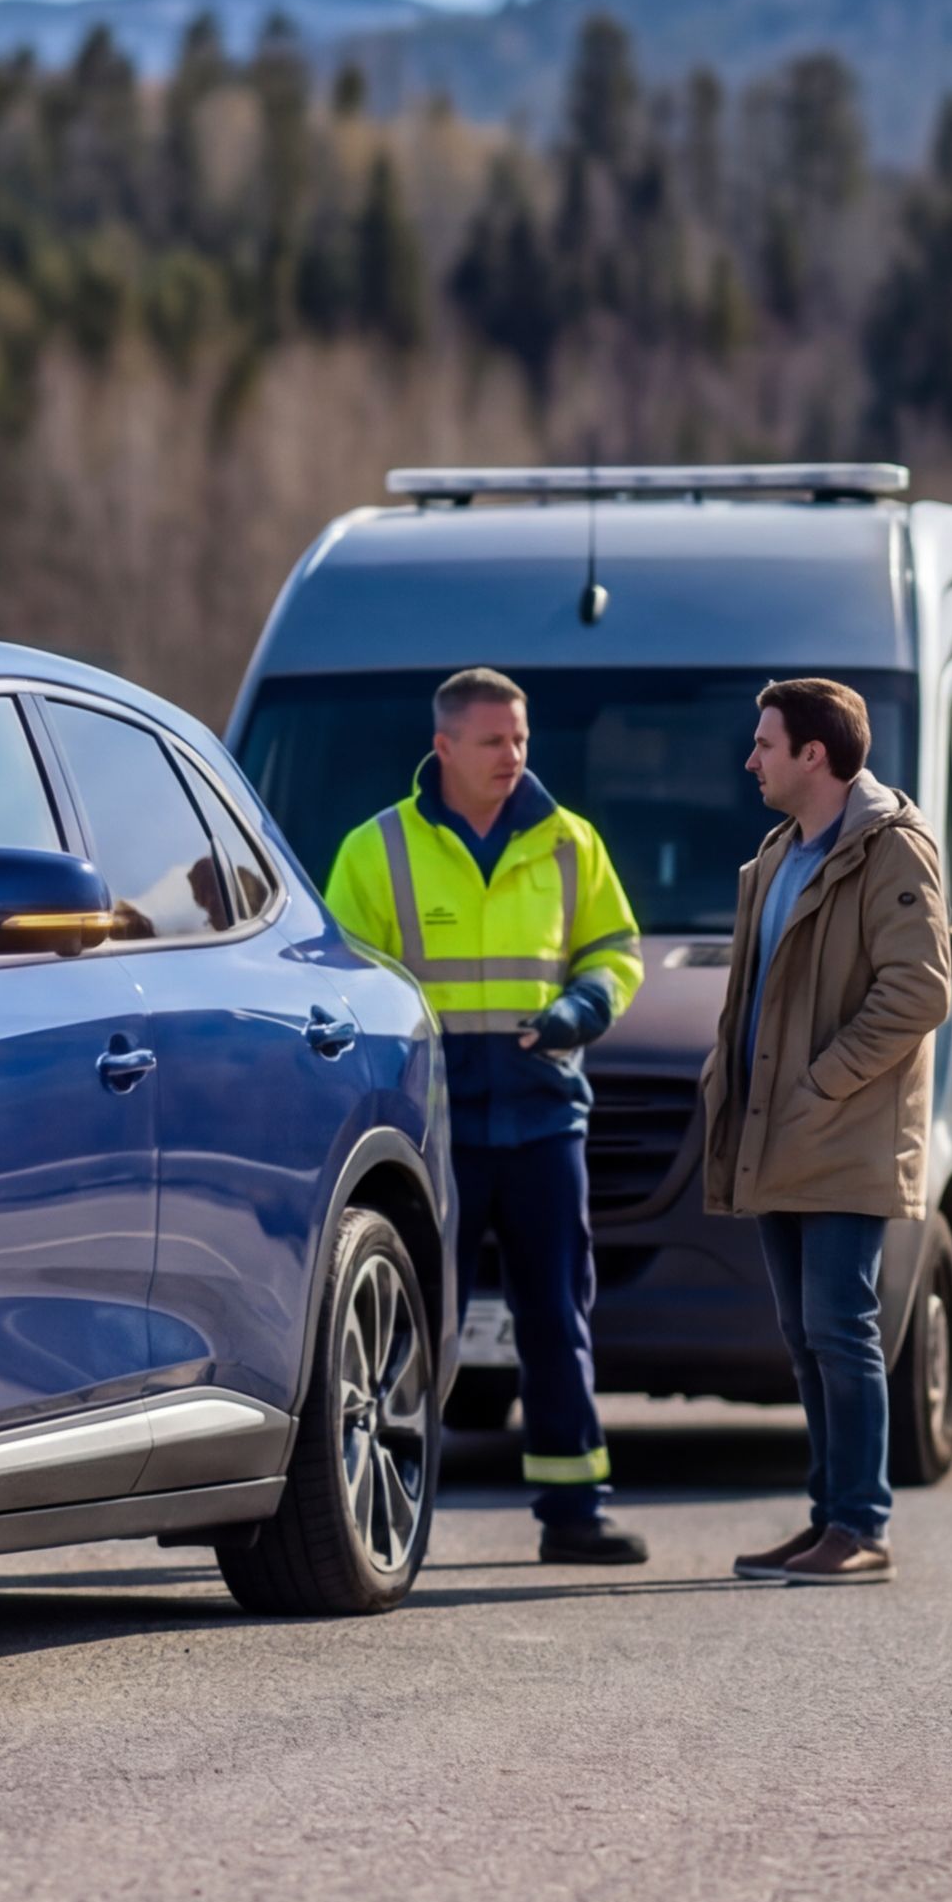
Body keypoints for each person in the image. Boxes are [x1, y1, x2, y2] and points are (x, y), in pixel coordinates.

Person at [323, 667, 651, 1567]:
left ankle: (574, 1512)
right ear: (445, 748)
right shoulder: (376, 849)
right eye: (494, 741)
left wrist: (586, 1006)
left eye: (521, 740)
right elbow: (347, 981)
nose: (513, 756)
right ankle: (393, 1512)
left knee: (556, 1315)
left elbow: (615, 952)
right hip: (434, 1131)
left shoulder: (569, 842)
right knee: (419, 1324)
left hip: (546, 1120)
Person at [684, 673, 950, 1586]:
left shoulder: (893, 851)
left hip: (844, 1132)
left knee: (843, 1328)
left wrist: (825, 1081)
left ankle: (861, 1525)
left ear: (815, 754)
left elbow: (919, 990)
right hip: (781, 1131)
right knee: (804, 1336)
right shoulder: (776, 854)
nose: (749, 758)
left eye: (765, 743)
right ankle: (827, 1519)